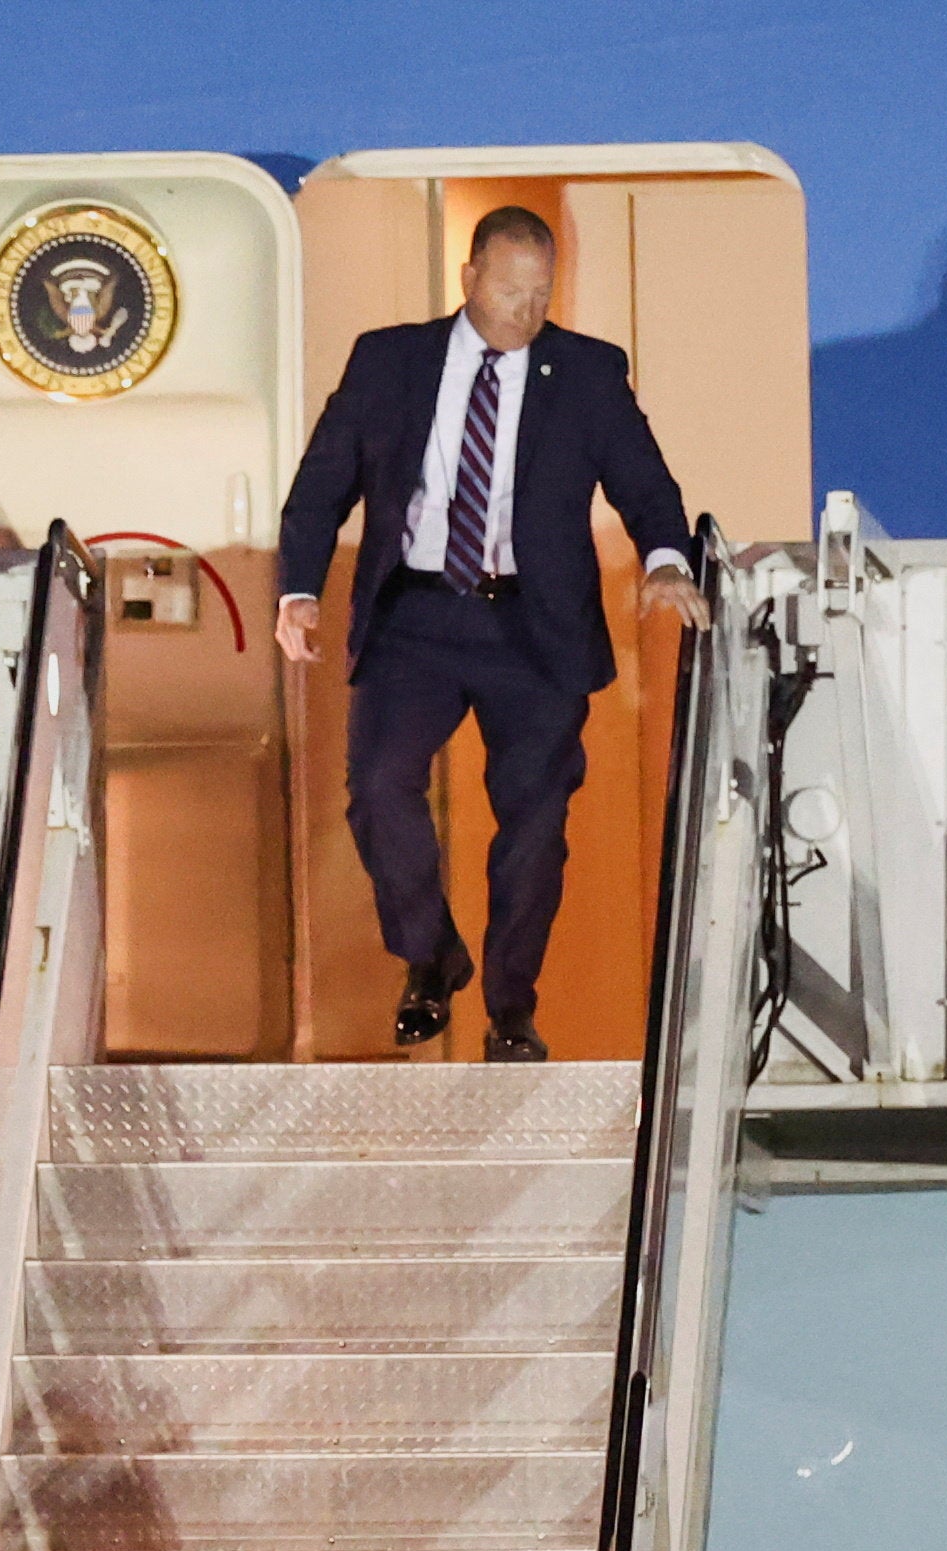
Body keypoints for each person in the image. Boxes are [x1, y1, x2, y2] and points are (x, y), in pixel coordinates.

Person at [268, 203, 702, 1063]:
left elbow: (645, 482)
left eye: (542, 297)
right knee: (380, 787)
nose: (526, 314)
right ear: (469, 280)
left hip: (533, 626)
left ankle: (511, 1010)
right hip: (416, 616)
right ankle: (430, 955)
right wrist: (299, 591)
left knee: (534, 826)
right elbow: (324, 483)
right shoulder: (388, 361)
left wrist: (666, 559)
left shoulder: (585, 372)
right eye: (510, 293)